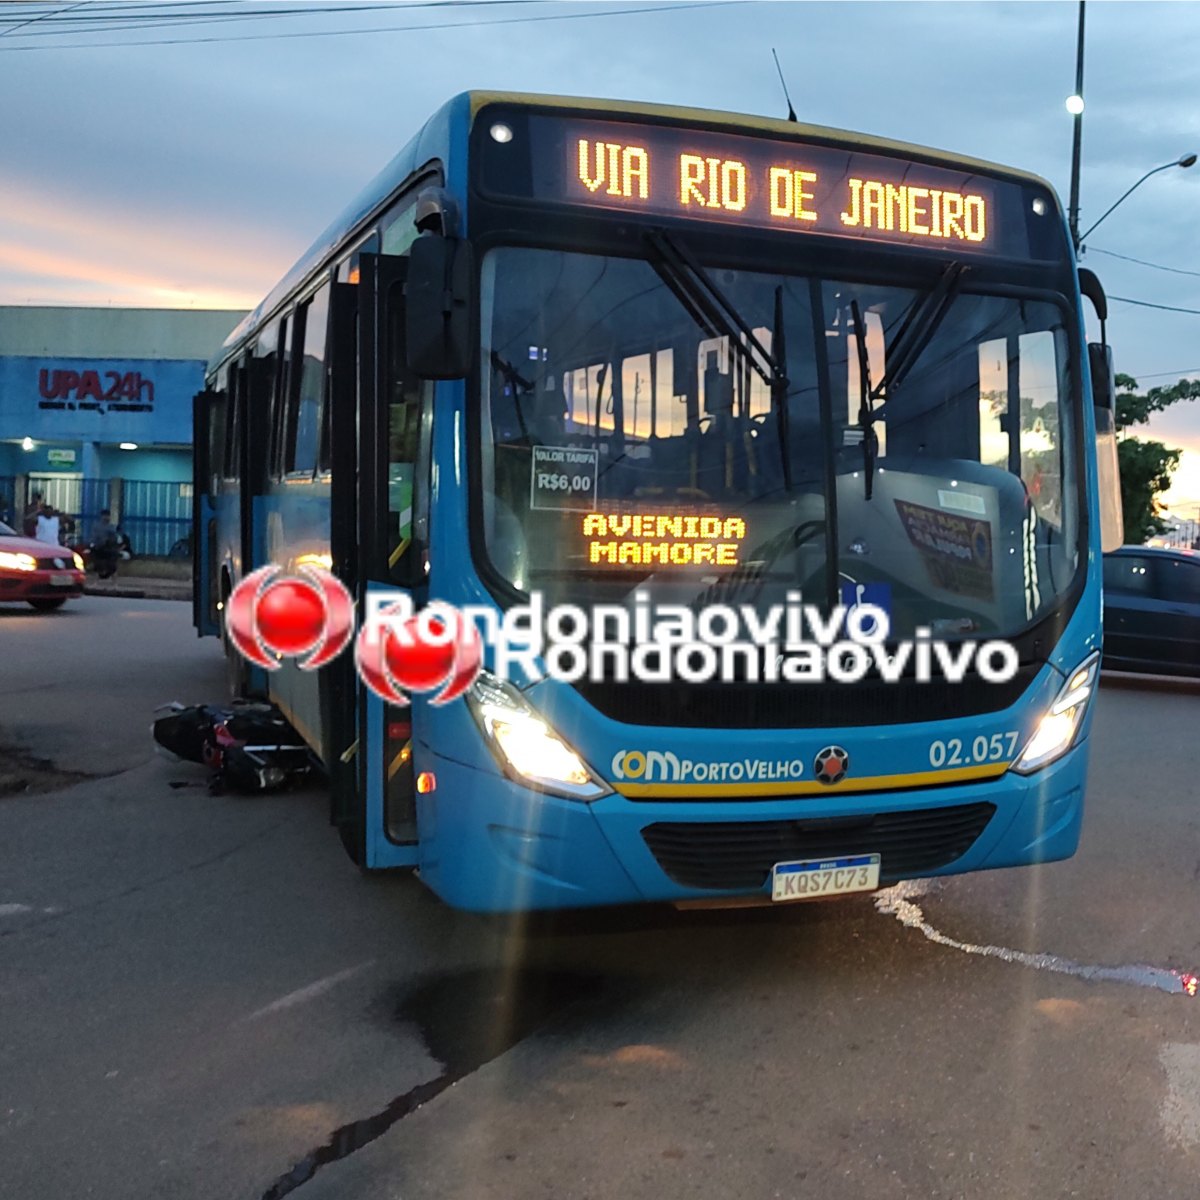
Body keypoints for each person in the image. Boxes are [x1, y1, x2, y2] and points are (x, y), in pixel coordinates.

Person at [91, 509, 120, 579]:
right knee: (97, 566)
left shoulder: (111, 527)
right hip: (99, 547)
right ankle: (96, 583)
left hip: (109, 548)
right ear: (102, 516)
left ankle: (115, 584)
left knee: (112, 567)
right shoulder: (97, 526)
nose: (107, 517)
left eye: (108, 516)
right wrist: (93, 545)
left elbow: (115, 538)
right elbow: (94, 537)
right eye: (105, 516)